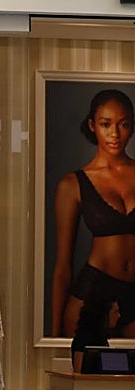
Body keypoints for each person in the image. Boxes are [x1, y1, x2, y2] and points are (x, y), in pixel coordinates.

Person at [51, 89, 135, 339]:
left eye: (123, 125)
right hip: (93, 292)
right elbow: (63, 265)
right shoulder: (72, 184)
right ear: (92, 125)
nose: (115, 134)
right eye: (105, 124)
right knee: (86, 375)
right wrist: (53, 339)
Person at [71, 284, 122, 372]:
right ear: (104, 315)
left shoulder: (101, 338)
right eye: (115, 312)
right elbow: (79, 374)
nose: (119, 316)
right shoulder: (83, 340)